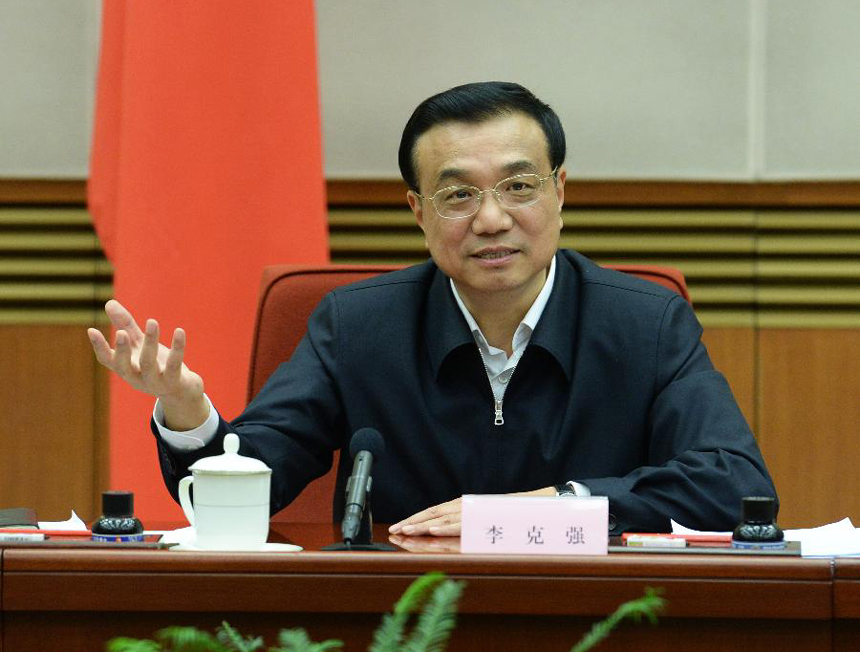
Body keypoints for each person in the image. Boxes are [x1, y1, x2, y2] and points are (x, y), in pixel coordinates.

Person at [88, 81, 777, 537]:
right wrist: (185, 413)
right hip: (400, 629)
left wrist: (550, 507)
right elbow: (243, 493)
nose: (492, 219)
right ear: (417, 212)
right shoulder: (357, 327)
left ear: (561, 192)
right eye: (457, 196)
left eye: (518, 186)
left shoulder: (646, 323)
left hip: (602, 621)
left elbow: (735, 485)